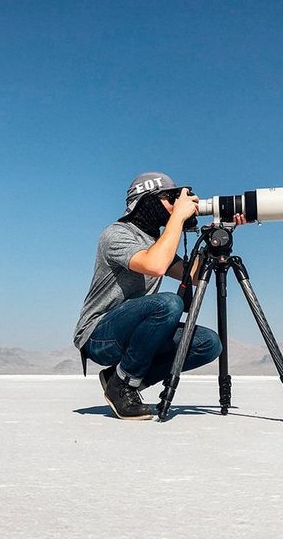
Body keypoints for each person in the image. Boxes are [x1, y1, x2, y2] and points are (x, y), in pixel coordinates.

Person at [73, 172, 245, 420]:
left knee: (208, 343)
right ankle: (124, 386)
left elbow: (195, 275)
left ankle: (119, 379)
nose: (176, 205)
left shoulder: (158, 242)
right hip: (100, 335)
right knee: (168, 303)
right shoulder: (117, 234)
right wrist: (177, 218)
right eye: (170, 198)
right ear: (148, 200)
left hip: (138, 333)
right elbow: (154, 264)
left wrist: (220, 237)